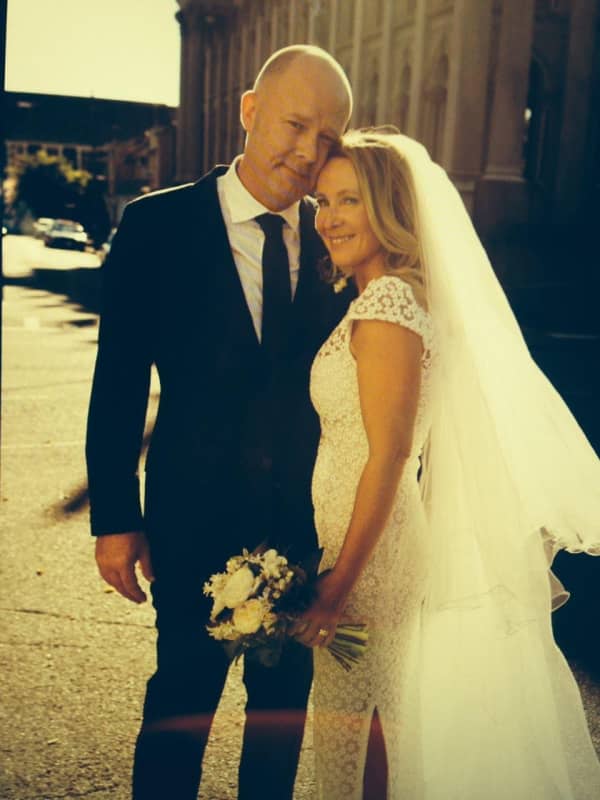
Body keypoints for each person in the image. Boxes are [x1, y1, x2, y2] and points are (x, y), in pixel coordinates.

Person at [296, 129, 600, 799]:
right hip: (368, 543)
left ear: (389, 207)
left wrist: (338, 585)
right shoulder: (393, 297)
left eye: (350, 200)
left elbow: (390, 454)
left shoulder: (386, 309)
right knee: (372, 726)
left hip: (371, 556)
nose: (329, 218)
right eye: (322, 200)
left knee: (364, 734)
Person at [85, 45, 353, 800]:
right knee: (180, 707)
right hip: (188, 522)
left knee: (279, 725)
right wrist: (115, 516)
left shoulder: (338, 239)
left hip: (306, 531)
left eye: (328, 138)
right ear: (249, 111)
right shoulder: (156, 225)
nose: (308, 153)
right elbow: (118, 383)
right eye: (295, 125)